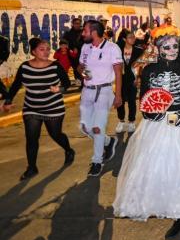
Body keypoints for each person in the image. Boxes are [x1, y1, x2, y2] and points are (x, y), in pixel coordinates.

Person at [113, 33, 180, 240]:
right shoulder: (150, 70)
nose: (172, 50)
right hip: (159, 128)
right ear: (159, 48)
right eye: (167, 47)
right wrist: (156, 112)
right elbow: (145, 102)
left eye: (175, 46)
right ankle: (178, 216)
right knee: (168, 175)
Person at [3, 38, 74, 180]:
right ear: (34, 51)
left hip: (53, 107)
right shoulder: (25, 67)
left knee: (56, 135)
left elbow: (66, 84)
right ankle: (32, 167)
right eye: (42, 49)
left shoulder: (56, 66)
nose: (46, 51)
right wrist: (8, 100)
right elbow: (16, 85)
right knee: (31, 138)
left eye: (48, 49)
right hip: (32, 108)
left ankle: (68, 150)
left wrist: (59, 89)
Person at [78, 19, 123, 177]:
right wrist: (82, 71)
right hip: (87, 91)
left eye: (85, 30)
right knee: (84, 127)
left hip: (104, 91)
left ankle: (97, 161)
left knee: (97, 127)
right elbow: (80, 67)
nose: (82, 33)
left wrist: (118, 95)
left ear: (94, 32)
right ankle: (108, 142)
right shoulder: (85, 47)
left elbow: (118, 72)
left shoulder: (112, 48)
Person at [115, 29, 144, 134]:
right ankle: (121, 121)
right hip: (120, 80)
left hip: (133, 80)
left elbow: (141, 66)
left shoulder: (138, 50)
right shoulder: (117, 50)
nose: (133, 39)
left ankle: (131, 121)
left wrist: (138, 78)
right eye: (130, 37)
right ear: (124, 39)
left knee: (132, 101)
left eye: (133, 37)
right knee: (120, 101)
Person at [62, 17, 84, 83]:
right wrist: (70, 49)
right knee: (75, 68)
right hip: (72, 54)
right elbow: (64, 43)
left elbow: (85, 42)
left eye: (79, 23)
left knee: (83, 68)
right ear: (73, 24)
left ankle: (85, 80)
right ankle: (78, 80)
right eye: (76, 23)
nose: (77, 25)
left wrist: (77, 47)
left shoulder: (83, 33)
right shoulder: (68, 33)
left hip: (82, 53)